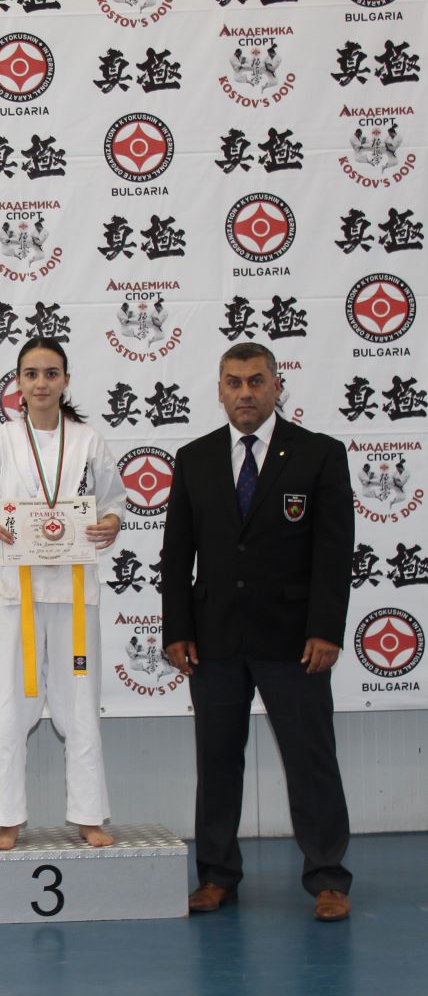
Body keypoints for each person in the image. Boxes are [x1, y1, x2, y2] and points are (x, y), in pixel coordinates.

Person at [162, 342, 354, 921]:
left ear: (276, 386)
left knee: (310, 760)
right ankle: (217, 876)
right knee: (217, 761)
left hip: (294, 640)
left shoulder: (319, 454)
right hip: (214, 639)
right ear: (220, 390)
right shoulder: (194, 458)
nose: (245, 392)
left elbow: (333, 552)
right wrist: (177, 630)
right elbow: (177, 554)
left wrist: (326, 630)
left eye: (255, 381)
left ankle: (328, 878)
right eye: (234, 382)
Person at [0, 338, 125, 851]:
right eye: (31, 374)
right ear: (18, 383)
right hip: (16, 591)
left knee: (80, 704)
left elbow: (114, 502)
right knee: (9, 705)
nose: (42, 383)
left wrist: (110, 524)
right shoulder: (1, 441)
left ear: (66, 381)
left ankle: (89, 816)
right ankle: (6, 819)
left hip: (74, 589)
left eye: (51, 373)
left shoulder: (89, 441)